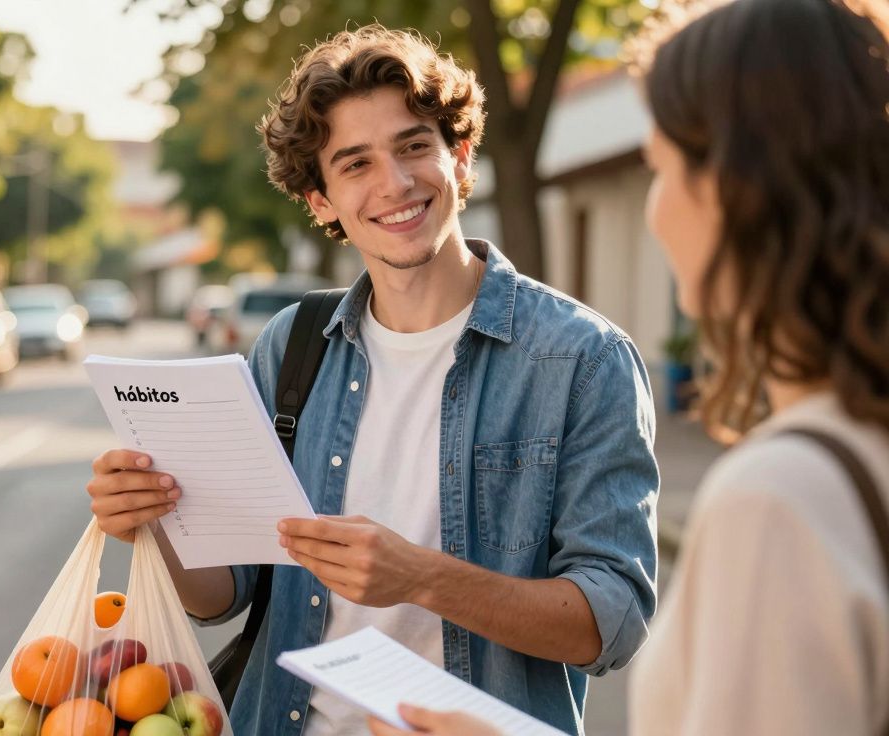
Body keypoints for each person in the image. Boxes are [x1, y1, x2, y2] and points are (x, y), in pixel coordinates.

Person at [86, 25, 659, 735]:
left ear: (460, 154)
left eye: (415, 145)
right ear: (321, 199)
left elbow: (613, 620)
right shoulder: (291, 348)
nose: (395, 183)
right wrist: (155, 519)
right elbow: (222, 596)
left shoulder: (584, 360)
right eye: (355, 164)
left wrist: (424, 578)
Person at [368, 0, 889, 734]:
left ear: (737, 193)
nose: (655, 208)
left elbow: (610, 610)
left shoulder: (781, 499)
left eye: (661, 168)